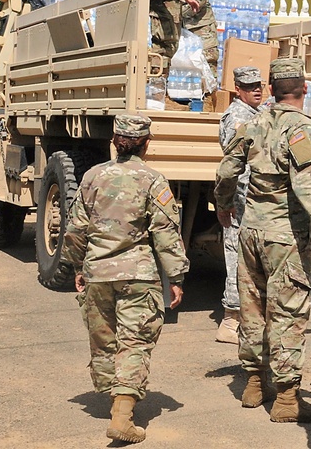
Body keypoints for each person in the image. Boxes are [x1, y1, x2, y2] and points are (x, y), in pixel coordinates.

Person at [213, 57, 311, 424]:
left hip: (250, 231)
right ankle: (286, 398)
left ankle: (252, 382)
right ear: (304, 90)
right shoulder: (301, 129)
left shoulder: (252, 123)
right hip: (285, 237)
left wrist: (223, 204)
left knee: (251, 307)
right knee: (288, 313)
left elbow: (227, 169)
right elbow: (307, 187)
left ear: (272, 89)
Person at [60, 114, 189, 444]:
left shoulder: (92, 177)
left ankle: (114, 402)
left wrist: (77, 267)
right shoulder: (153, 180)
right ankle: (122, 416)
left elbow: (75, 228)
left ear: (115, 142)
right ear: (147, 143)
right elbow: (165, 232)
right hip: (138, 275)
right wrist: (175, 276)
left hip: (97, 274)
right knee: (135, 340)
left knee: (104, 340)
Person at [215, 65, 265, 344]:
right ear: (238, 89)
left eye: (259, 85)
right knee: (236, 258)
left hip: (254, 201)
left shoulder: (257, 113)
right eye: (249, 86)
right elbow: (233, 165)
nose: (256, 90)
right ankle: (230, 321)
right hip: (240, 200)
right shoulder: (235, 116)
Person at [181, 0, 219, 109]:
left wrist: (173, 14)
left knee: (207, 70)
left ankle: (209, 107)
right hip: (184, 32)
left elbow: (196, 4)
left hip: (201, 31)